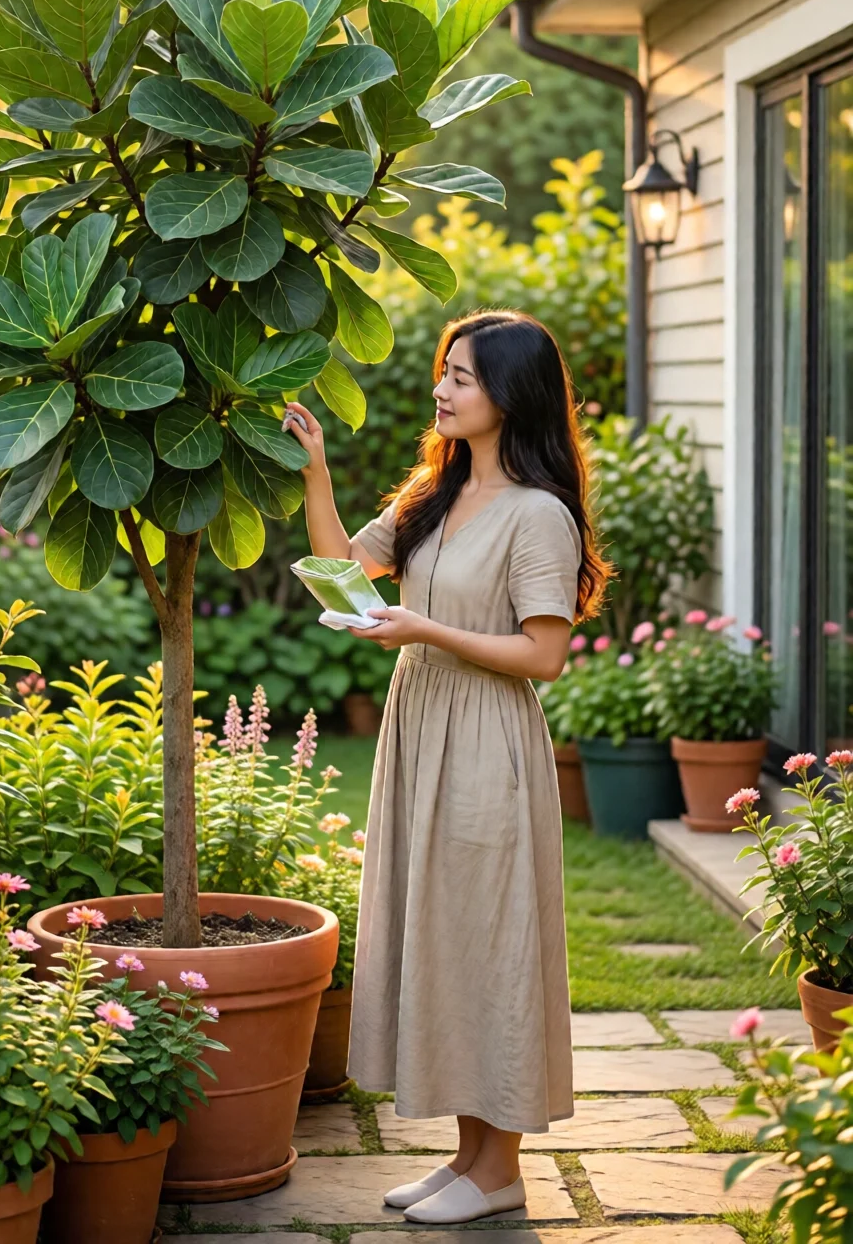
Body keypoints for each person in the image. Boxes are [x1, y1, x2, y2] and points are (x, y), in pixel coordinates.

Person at [283, 308, 609, 1224]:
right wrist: (317, 478)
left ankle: (499, 1169)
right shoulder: (436, 491)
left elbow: (544, 656)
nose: (442, 390)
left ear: (511, 394)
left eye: (460, 377)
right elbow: (344, 569)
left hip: (487, 745)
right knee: (441, 934)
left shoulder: (538, 515)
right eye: (444, 372)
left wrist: (422, 629)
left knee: (488, 941)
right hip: (421, 726)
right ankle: (470, 1160)